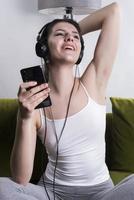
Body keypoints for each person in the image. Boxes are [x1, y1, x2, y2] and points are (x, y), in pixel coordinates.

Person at [1, 2, 134, 200]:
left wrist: (71, 31)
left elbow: (113, 11)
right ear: (44, 47)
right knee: (2, 186)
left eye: (75, 36)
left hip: (102, 194)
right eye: (60, 34)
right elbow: (21, 178)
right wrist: (25, 117)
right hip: (52, 193)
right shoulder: (34, 102)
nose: (70, 37)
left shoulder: (94, 81)